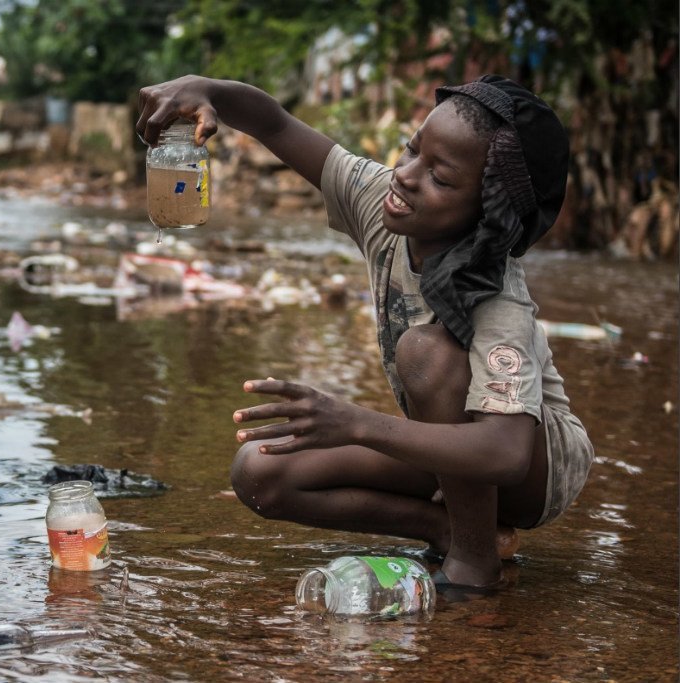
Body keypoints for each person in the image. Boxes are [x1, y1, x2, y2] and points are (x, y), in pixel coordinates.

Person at [135, 74, 594, 591]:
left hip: (538, 467)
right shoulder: (382, 201)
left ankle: (473, 564)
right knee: (260, 472)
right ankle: (445, 529)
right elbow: (274, 123)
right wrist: (208, 91)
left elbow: (507, 453)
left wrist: (355, 424)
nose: (406, 176)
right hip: (456, 452)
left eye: (440, 179)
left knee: (424, 352)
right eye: (412, 150)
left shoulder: (497, 294)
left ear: (486, 216)